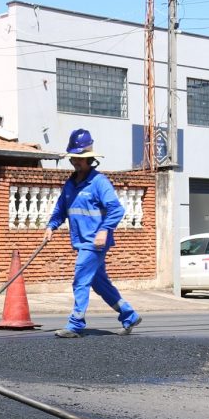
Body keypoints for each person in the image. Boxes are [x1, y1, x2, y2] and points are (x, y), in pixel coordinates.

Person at [42, 129, 141, 338]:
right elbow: (61, 210)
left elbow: (117, 209)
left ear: (89, 159)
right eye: (74, 159)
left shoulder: (99, 182)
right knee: (99, 283)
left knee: (80, 280)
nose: (76, 163)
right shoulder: (70, 185)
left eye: (80, 159)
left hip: (95, 243)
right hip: (81, 242)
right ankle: (129, 314)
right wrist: (51, 226)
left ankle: (75, 324)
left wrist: (104, 230)